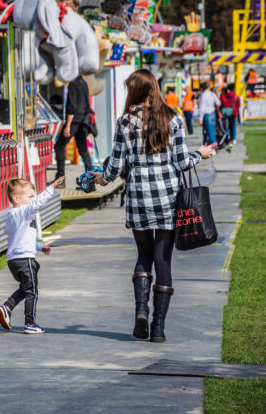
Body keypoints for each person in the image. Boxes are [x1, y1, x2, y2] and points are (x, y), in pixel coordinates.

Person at [93, 69, 214, 343]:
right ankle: (158, 329)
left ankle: (141, 311)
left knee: (143, 254)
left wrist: (102, 178)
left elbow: (116, 164)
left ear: (135, 91)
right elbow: (182, 162)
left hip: (138, 195)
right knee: (163, 259)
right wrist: (201, 153)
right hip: (168, 196)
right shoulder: (174, 118)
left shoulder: (125, 121)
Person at [0, 176, 65, 334]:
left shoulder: (14, 216)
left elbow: (23, 239)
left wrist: (40, 246)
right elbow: (38, 204)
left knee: (26, 288)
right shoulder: (22, 212)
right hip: (24, 259)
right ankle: (30, 323)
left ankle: (7, 307)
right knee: (32, 291)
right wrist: (52, 187)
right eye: (30, 196)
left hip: (14, 260)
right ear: (17, 198)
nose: (33, 200)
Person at [54, 74, 95, 181]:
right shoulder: (83, 83)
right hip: (83, 121)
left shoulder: (73, 84)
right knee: (83, 149)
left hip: (74, 121)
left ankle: (60, 177)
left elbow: (71, 107)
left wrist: (67, 125)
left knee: (59, 146)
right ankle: (90, 180)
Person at [219, 83, 241, 150]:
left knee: (225, 127)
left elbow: (221, 103)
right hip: (233, 113)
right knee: (232, 127)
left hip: (225, 113)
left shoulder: (224, 96)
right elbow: (238, 105)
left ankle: (226, 139)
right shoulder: (236, 97)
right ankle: (232, 140)